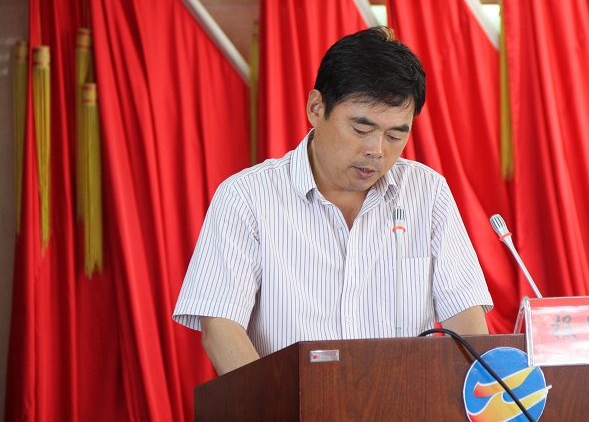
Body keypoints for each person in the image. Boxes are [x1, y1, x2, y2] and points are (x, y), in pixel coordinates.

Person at [173, 26, 493, 375]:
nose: (376, 150)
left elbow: (466, 321)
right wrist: (272, 405)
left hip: (404, 402)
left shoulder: (427, 192)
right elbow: (221, 328)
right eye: (361, 130)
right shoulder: (246, 198)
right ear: (316, 108)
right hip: (290, 404)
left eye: (394, 135)